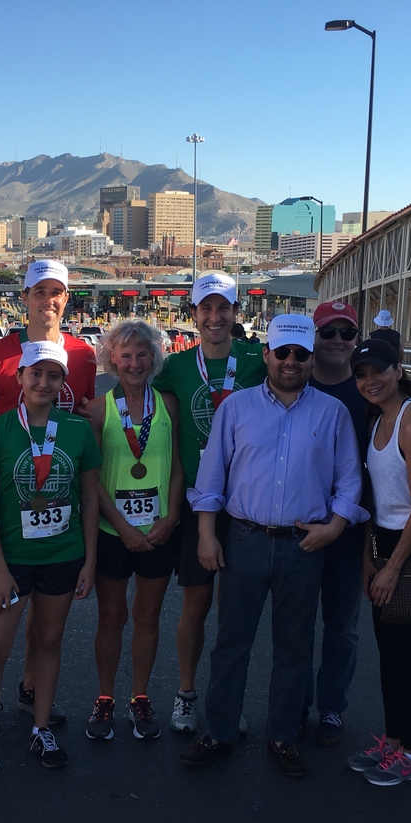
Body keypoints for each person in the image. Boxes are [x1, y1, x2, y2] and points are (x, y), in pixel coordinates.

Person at [179, 314, 364, 776]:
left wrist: (335, 527)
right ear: (266, 355)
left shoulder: (333, 413)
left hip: (304, 544)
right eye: (282, 352)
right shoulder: (236, 408)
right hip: (245, 539)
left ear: (311, 359)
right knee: (230, 643)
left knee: (294, 647)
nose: (291, 361)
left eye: (301, 354)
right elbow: (211, 476)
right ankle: (220, 730)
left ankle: (283, 734)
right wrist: (206, 535)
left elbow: (349, 480)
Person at [0, 341, 100, 777]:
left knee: (49, 643)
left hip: (62, 555)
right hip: (10, 561)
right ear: (19, 377)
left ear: (63, 383)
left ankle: (41, 728)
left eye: (53, 375)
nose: (43, 382)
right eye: (35, 373)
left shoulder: (76, 430)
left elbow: (90, 499)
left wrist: (89, 561)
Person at [0, 259, 97, 729]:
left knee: (47, 631)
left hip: (59, 502)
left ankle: (31, 692)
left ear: (66, 298)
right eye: (39, 291)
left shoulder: (83, 354)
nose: (48, 300)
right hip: (8, 503)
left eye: (56, 292)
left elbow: (84, 416)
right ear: (24, 297)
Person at [150, 271, 266, 733]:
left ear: (236, 313)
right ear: (194, 314)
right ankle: (186, 694)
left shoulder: (259, 360)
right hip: (198, 502)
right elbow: (145, 415)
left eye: (223, 308)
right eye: (206, 308)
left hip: (247, 504)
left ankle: (227, 698)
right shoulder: (176, 367)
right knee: (195, 607)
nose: (215, 317)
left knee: (235, 614)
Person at [345, 339, 411, 786]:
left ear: (397, 370)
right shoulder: (376, 417)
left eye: (378, 370)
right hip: (385, 542)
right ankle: (393, 740)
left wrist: (392, 568)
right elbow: (378, 498)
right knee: (389, 654)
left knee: (407, 656)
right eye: (361, 374)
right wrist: (371, 557)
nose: (370, 381)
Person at [84, 320, 183, 740]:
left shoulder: (169, 405)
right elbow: (91, 479)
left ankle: (139, 697)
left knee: (147, 615)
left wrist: (171, 517)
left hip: (159, 530)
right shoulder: (97, 409)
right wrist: (122, 526)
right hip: (113, 532)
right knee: (111, 616)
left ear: (154, 358)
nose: (135, 363)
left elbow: (176, 467)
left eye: (142, 354)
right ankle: (105, 698)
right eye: (125, 355)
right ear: (112, 360)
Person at [304, 299, 368, 747]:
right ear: (314, 336)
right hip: (299, 525)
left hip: (351, 528)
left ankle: (332, 707)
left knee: (342, 626)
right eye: (328, 332)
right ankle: (294, 702)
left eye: (347, 333)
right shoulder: (293, 379)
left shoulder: (370, 391)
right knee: (296, 626)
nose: (337, 341)